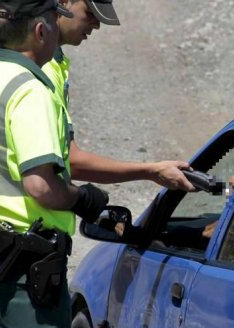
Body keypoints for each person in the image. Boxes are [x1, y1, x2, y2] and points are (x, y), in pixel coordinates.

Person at [0, 0, 113, 328]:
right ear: (40, 30)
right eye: (54, 18)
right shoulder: (31, 91)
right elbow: (42, 187)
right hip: (20, 269)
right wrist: (83, 198)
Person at [43, 0, 196, 191]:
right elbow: (72, 162)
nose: (97, 25)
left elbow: (66, 158)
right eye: (90, 13)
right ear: (63, 2)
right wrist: (152, 171)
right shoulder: (42, 69)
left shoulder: (52, 63)